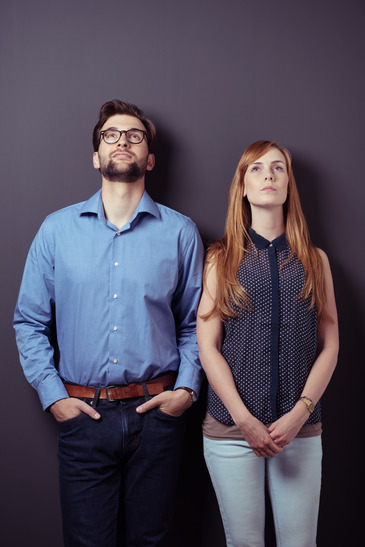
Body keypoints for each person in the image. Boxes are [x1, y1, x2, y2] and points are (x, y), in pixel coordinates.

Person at [14, 99, 204, 547]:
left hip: (158, 417)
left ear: (149, 158)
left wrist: (186, 391)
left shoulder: (181, 233)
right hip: (83, 418)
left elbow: (196, 322)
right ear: (96, 156)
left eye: (135, 136)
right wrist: (53, 395)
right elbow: (28, 321)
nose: (123, 141)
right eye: (111, 135)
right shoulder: (55, 230)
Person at [197, 140, 339, 547]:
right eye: (256, 169)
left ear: (289, 184)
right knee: (245, 543)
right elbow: (208, 345)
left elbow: (330, 344)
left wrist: (300, 413)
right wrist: (244, 420)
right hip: (230, 430)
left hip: (300, 430)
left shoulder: (315, 260)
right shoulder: (219, 259)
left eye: (278, 168)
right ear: (242, 186)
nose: (269, 176)